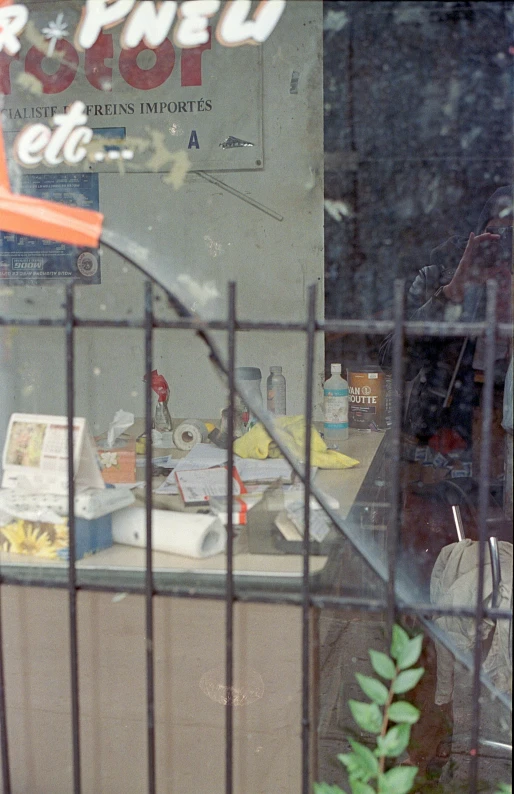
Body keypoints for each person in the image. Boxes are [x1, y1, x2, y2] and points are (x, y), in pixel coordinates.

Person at [380, 186, 512, 473]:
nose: (504, 248)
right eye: (496, 237)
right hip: (440, 453)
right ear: (477, 238)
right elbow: (392, 360)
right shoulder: (440, 276)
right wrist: (452, 292)